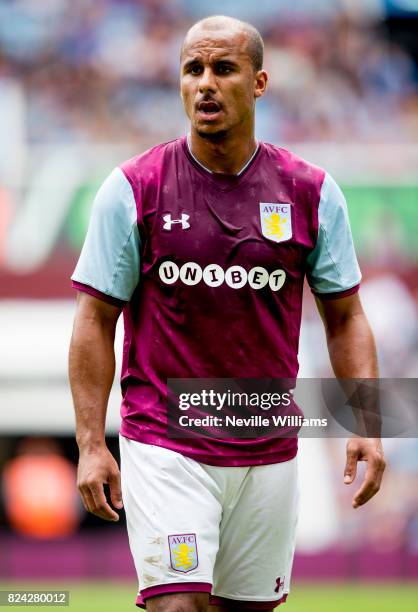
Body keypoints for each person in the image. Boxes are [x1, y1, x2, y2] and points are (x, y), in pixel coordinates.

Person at [69, 15, 386, 612]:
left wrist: (367, 425)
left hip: (268, 446)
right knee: (178, 605)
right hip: (165, 442)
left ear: (260, 82)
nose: (205, 84)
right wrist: (90, 442)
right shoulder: (133, 188)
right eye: (193, 70)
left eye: (223, 68)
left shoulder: (311, 192)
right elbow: (93, 319)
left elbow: (346, 318)